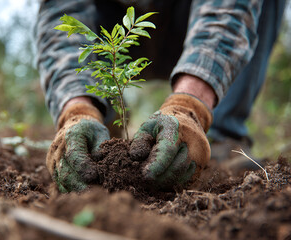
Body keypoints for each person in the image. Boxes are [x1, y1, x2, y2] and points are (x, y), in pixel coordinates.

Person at [34, 0, 285, 192]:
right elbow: (60, 17)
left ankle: (222, 136)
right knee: (72, 22)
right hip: (112, 29)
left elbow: (229, 9)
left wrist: (188, 107)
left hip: (195, 24)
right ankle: (101, 128)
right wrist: (77, 109)